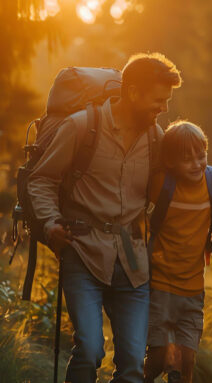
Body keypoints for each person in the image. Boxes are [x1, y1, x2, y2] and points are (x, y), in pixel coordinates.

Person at [27, 53, 181, 383]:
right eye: (159, 100)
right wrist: (51, 222)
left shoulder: (155, 136)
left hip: (132, 256)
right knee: (90, 349)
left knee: (130, 363)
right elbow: (41, 179)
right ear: (133, 92)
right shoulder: (81, 126)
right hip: (82, 250)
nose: (163, 109)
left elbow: (172, 185)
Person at [144, 121, 212, 383]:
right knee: (158, 357)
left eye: (201, 155)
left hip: (194, 290)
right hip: (159, 286)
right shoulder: (160, 184)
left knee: (186, 365)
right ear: (169, 162)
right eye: (187, 159)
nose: (197, 163)